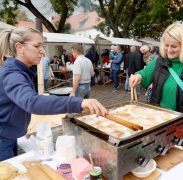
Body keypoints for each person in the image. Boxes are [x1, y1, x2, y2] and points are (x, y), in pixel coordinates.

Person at [0, 27, 108, 161]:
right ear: (19, 47)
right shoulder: (12, 74)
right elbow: (32, 102)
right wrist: (79, 102)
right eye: (37, 46)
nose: (43, 51)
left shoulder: (18, 70)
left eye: (43, 46)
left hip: (9, 134)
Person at [129, 23, 183, 150]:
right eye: (166, 45)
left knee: (180, 163)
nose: (169, 50)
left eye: (174, 46)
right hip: (159, 124)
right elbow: (145, 74)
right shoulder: (160, 61)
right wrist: (138, 76)